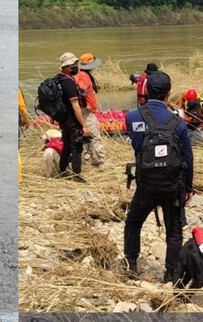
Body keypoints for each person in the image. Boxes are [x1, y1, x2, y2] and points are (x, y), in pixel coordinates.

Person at [122, 70, 194, 282]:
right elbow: (188, 159)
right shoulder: (178, 123)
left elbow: (136, 144)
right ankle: (171, 273)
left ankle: (131, 264)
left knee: (133, 222)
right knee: (174, 231)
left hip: (145, 185)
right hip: (172, 187)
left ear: (146, 90)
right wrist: (188, 188)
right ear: (169, 93)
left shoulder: (132, 117)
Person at [53, 52, 89, 182]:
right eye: (75, 64)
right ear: (68, 66)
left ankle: (62, 170)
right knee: (76, 147)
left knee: (67, 145)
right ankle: (76, 175)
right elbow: (75, 105)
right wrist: (84, 125)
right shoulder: (68, 82)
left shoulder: (58, 79)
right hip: (72, 120)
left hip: (63, 119)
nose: (76, 66)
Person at [77, 52, 106, 167]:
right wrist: (85, 105)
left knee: (87, 136)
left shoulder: (83, 74)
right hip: (87, 112)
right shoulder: (84, 76)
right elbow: (80, 92)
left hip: (87, 111)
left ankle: (88, 159)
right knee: (95, 136)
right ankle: (100, 160)